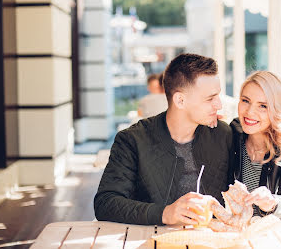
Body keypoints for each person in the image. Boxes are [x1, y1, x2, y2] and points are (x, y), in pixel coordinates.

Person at [94, 53, 232, 225]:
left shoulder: (223, 134)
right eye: (210, 98)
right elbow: (105, 203)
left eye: (218, 96)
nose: (218, 104)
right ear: (180, 100)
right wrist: (164, 213)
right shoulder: (132, 140)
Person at [229, 71, 281, 219]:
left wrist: (272, 202)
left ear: (277, 110)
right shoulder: (233, 133)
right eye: (245, 100)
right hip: (250, 231)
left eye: (262, 106)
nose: (250, 112)